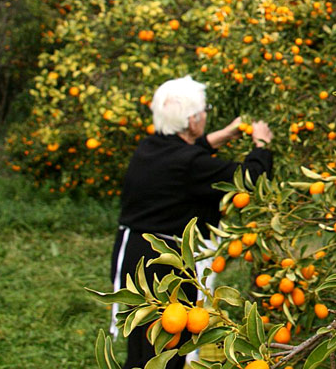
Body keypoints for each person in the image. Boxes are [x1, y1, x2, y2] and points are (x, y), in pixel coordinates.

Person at [109, 76, 273, 369]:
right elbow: (250, 178)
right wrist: (261, 144)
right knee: (168, 348)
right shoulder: (189, 164)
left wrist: (221, 136)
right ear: (193, 119)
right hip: (164, 265)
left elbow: (185, 155)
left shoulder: (150, 147)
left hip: (136, 255)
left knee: (143, 346)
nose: (206, 115)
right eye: (204, 110)